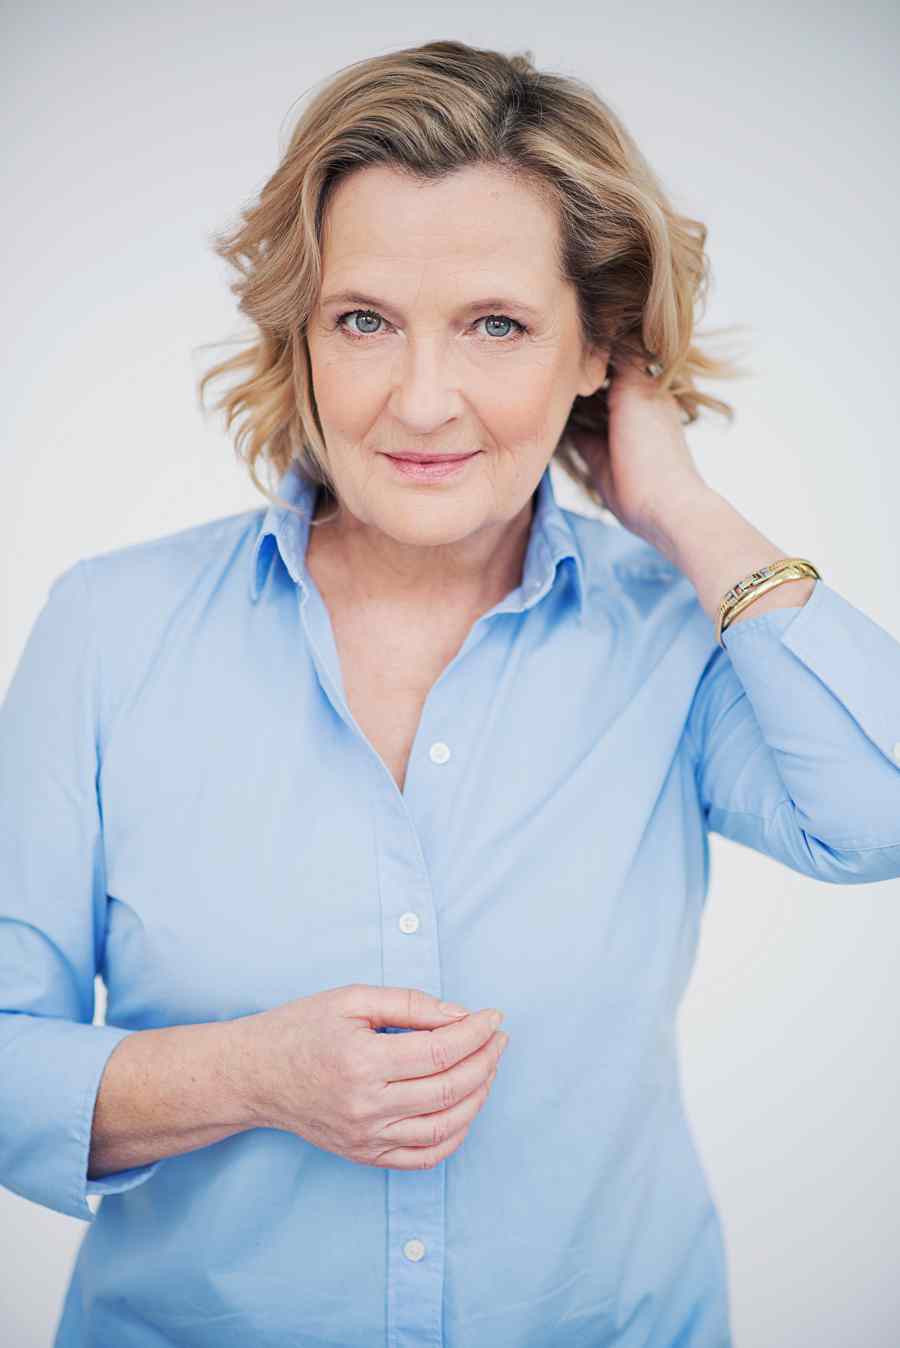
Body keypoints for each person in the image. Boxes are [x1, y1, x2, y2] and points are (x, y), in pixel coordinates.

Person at [2, 37, 899, 1348]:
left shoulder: (675, 637)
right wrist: (251, 1075)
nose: (422, 402)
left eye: (497, 325)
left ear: (599, 350)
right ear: (303, 336)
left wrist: (683, 508)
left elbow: (877, 814)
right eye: (364, 320)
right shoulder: (109, 628)